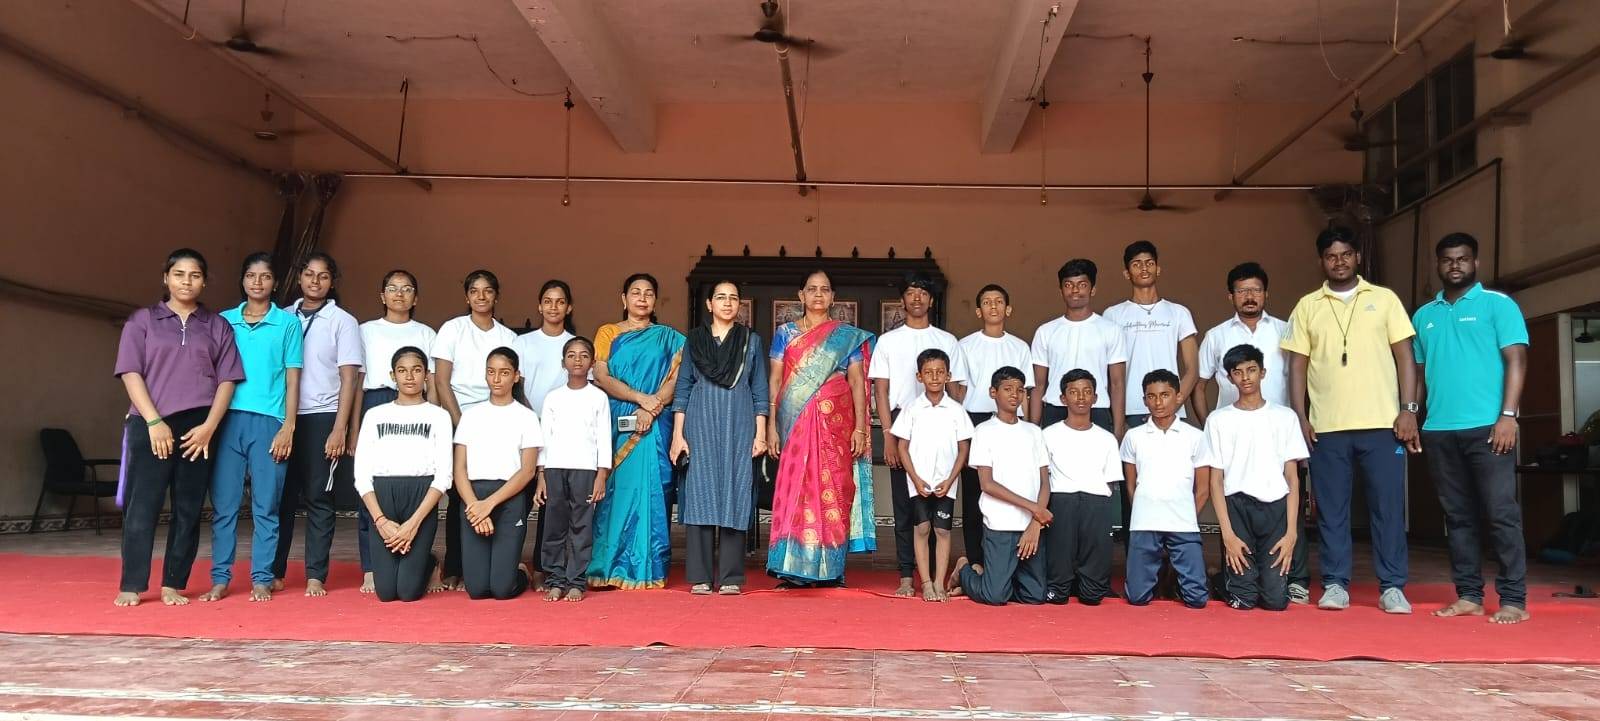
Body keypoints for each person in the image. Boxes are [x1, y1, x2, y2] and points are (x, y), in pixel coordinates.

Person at [1282, 226, 1420, 613]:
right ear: (1321, 261)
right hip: (1327, 427)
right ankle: (1335, 583)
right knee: (1331, 511)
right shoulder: (1307, 306)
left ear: (1357, 257)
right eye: (1331, 256)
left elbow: (1405, 358)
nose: (1339, 261)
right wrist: (1299, 416)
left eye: (1345, 254)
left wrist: (1408, 409)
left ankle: (1392, 587)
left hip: (1382, 425)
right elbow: (1297, 366)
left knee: (1388, 509)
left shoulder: (1384, 299)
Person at [113, 248, 243, 607]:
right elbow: (130, 372)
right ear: (166, 278)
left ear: (204, 282)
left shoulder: (216, 325)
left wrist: (209, 427)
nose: (187, 282)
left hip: (198, 429)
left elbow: (227, 381)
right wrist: (154, 421)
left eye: (195, 275)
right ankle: (132, 584)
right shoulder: (143, 321)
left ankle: (173, 582)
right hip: (149, 421)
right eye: (179, 274)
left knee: (188, 508)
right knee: (142, 506)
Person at [1413, 232, 1530, 624]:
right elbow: (1419, 373)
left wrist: (1508, 416)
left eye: (1462, 258)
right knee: (1458, 517)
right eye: (1448, 259)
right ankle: (1469, 596)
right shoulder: (1424, 316)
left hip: (1490, 428)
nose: (1455, 265)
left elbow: (1517, 360)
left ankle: (1513, 599)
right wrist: (1411, 413)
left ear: (1475, 263)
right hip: (1439, 429)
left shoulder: (1498, 305)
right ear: (1438, 264)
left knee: (1500, 513)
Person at [1193, 262, 1312, 603]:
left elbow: (1301, 378)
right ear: (1230, 295)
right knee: (1234, 504)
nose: (1249, 296)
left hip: (1278, 435)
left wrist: (1302, 419)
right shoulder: (1217, 336)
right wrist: (1210, 425)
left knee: (1288, 498)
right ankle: (1234, 576)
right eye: (1242, 290)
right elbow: (1199, 384)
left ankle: (1296, 578)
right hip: (1233, 437)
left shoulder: (1286, 331)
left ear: (1266, 294)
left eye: (1256, 290)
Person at [202, 253, 302, 603]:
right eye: (250, 275)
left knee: (266, 505)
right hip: (227, 420)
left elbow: (293, 378)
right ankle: (220, 578)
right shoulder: (223, 321)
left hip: (270, 422)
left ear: (275, 283)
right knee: (225, 505)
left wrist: (288, 426)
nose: (257, 282)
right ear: (242, 280)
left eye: (265, 276)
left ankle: (262, 577)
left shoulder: (288, 324)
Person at [766, 270, 876, 586]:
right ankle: (791, 566)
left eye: (824, 289)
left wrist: (860, 428)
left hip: (837, 424)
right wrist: (771, 425)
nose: (818, 294)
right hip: (794, 421)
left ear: (833, 296)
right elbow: (775, 380)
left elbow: (857, 382)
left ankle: (831, 569)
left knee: (834, 490)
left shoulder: (846, 336)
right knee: (795, 489)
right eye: (811, 289)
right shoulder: (785, 333)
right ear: (800, 295)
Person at [871, 273, 970, 597]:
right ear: (902, 300)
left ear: (932, 300)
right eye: (911, 293)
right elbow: (881, 391)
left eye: (923, 293)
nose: (917, 298)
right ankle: (906, 575)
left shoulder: (947, 340)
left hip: (940, 424)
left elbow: (959, 388)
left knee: (937, 505)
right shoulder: (888, 341)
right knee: (906, 505)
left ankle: (933, 577)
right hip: (902, 425)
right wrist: (888, 434)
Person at [272, 252, 363, 598]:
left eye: (323, 276)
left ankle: (315, 574)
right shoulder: (281, 317)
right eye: (309, 274)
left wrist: (340, 428)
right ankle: (274, 571)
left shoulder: (343, 321)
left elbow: (349, 378)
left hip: (323, 416)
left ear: (332, 282)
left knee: (318, 497)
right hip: (282, 416)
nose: (315, 281)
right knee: (279, 497)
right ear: (299, 278)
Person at [671, 281, 770, 595]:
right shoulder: (695, 340)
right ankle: (700, 576)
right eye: (721, 297)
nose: (727, 303)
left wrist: (760, 434)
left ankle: (730, 577)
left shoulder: (750, 341)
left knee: (735, 492)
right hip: (699, 425)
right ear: (709, 304)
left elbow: (760, 391)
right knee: (699, 494)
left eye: (733, 298)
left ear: (739, 305)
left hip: (739, 426)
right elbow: (683, 388)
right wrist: (677, 436)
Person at [588, 273, 684, 589]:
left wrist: (652, 406)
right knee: (615, 493)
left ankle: (648, 567)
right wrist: (641, 399)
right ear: (623, 298)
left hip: (655, 425)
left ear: (655, 300)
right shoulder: (608, 333)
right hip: (619, 420)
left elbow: (678, 379)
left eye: (648, 293)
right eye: (635, 292)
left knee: (654, 492)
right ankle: (608, 566)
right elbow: (602, 376)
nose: (642, 298)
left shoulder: (670, 338)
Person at [350, 269, 436, 594]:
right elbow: (357, 382)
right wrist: (353, 428)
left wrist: (434, 417)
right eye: (392, 288)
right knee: (370, 487)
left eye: (407, 289)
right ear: (382, 296)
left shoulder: (426, 333)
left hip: (416, 405)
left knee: (415, 485)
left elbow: (432, 381)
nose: (399, 294)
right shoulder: (365, 331)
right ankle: (371, 567)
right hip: (375, 401)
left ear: (416, 298)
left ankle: (419, 558)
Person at [431, 269, 518, 590]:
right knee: (459, 492)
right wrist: (460, 422)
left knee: (493, 487)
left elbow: (512, 380)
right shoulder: (453, 329)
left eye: (487, 291)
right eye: (474, 291)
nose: (481, 297)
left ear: (496, 296)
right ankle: (456, 564)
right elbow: (441, 381)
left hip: (499, 421)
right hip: (459, 418)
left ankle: (494, 560)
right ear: (467, 296)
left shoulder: (508, 337)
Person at [1206, 344, 1309, 611]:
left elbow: (1292, 479)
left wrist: (1291, 532)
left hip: (1275, 508)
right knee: (1244, 600)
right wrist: (1227, 534)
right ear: (1230, 378)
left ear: (1263, 372)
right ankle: (1219, 579)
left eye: (1251, 370)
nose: (1246, 377)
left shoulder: (1285, 417)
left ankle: (1249, 579)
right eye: (1238, 372)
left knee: (1275, 602)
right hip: (1237, 508)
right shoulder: (1218, 420)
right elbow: (1215, 481)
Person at [353, 347, 453, 602]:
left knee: (408, 592)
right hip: (383, 497)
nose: (409, 377)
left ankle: (430, 562)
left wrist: (413, 524)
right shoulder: (375, 415)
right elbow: (361, 474)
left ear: (426, 375)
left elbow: (444, 475)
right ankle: (417, 559)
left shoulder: (439, 416)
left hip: (421, 497)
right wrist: (380, 521)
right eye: (402, 370)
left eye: (416, 370)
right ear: (392, 375)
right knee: (386, 593)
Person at [948, 367, 1052, 606]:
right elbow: (987, 484)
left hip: (1031, 527)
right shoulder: (983, 431)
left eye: (1020, 390)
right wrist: (1035, 509)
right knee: (994, 596)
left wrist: (1035, 522)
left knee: (1035, 596)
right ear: (993, 392)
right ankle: (965, 570)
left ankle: (999, 578)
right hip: (1000, 524)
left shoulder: (1034, 432)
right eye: (1008, 389)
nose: (1015, 394)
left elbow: (1045, 482)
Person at [454, 347, 543, 600]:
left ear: (516, 376)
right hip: (474, 498)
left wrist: (489, 504)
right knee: (477, 590)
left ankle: (520, 571)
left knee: (502, 590)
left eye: (504, 373)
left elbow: (527, 471)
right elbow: (459, 468)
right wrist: (475, 506)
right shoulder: (471, 416)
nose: (496, 379)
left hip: (509, 498)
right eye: (491, 372)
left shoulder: (527, 417)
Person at [889, 349, 975, 601]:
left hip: (946, 483)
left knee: (943, 531)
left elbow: (963, 449)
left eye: (940, 372)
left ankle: (939, 583)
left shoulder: (956, 410)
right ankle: (926, 582)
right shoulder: (912, 409)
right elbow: (902, 447)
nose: (935, 377)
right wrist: (915, 479)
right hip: (919, 483)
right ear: (919, 377)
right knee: (922, 528)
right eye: (928, 372)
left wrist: (950, 480)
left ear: (948, 376)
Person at [1121, 370, 1210, 608]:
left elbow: (1203, 488)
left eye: (1165, 395)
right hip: (1144, 523)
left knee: (1197, 599)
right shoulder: (1133, 437)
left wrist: (1187, 515)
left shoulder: (1195, 437)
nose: (1158, 402)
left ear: (1178, 396)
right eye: (1151, 396)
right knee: (1137, 597)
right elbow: (1131, 484)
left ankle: (1174, 584)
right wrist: (1143, 510)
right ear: (1144, 400)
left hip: (1183, 524)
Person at [957, 284, 1032, 567]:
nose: (993, 306)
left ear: (1008, 309)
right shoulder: (965, 345)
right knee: (975, 492)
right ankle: (975, 560)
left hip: (1013, 421)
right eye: (987, 302)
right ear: (979, 311)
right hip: (976, 420)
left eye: (999, 301)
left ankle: (1010, 557)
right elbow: (959, 390)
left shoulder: (1019, 347)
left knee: (1012, 485)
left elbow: (1028, 391)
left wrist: (1029, 426)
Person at [512, 279, 578, 590]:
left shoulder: (574, 344)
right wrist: (531, 419)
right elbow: (517, 385)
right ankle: (512, 560)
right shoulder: (523, 343)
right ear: (539, 306)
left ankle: (543, 566)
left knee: (551, 502)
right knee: (519, 498)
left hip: (561, 433)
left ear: (569, 307)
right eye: (548, 301)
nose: (554, 307)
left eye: (560, 301)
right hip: (526, 426)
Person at [535, 337, 612, 602]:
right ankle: (555, 580)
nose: (577, 360)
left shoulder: (598, 397)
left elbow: (604, 438)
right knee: (554, 527)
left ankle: (576, 581)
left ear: (592, 362)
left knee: (582, 526)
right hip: (555, 468)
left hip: (585, 469)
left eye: (583, 355)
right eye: (571, 355)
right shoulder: (553, 397)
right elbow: (544, 437)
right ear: (563, 362)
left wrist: (601, 474)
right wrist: (541, 475)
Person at [1041, 369, 1122, 605]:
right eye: (1074, 392)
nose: (1081, 397)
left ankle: (1089, 584)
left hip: (1096, 503)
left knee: (1092, 597)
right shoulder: (1048, 435)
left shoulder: (1106, 438)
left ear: (1095, 398)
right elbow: (1042, 478)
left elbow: (1110, 481)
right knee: (1057, 593)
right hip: (1061, 501)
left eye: (1087, 392)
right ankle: (1060, 584)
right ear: (1062, 398)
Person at [1103, 240, 1199, 427]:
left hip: (1172, 410)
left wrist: (1174, 403)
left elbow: (1193, 369)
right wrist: (1117, 418)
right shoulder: (1113, 315)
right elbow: (1108, 372)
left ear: (1158, 269)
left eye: (1149, 263)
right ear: (1126, 273)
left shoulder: (1179, 313)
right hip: (1130, 409)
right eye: (1136, 264)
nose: (1144, 268)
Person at [1030, 258, 1127, 433]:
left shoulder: (1111, 330)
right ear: (1061, 290)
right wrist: (1034, 429)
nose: (1075, 290)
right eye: (1068, 285)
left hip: (1096, 410)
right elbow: (1038, 385)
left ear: (1093, 289)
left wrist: (1118, 431)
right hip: (1055, 409)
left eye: (1082, 285)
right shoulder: (1046, 331)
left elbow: (1117, 384)